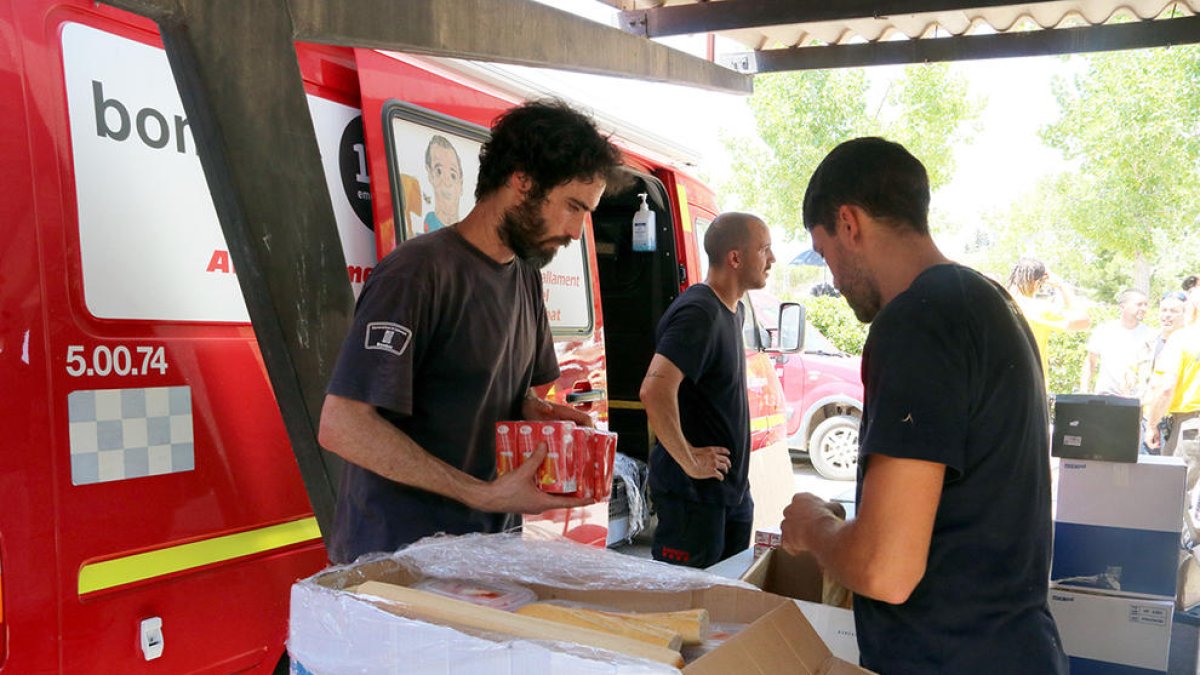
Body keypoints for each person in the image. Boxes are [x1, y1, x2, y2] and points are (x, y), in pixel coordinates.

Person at [780, 137, 1067, 673]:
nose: (835, 279)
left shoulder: (919, 319)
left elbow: (885, 569)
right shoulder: (988, 302)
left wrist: (813, 526)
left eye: (826, 255)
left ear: (849, 223)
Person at [318, 100, 624, 564]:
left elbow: (510, 394)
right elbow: (342, 426)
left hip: (484, 552)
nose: (577, 231)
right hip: (399, 561)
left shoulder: (525, 276)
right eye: (573, 207)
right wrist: (481, 494)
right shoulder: (417, 272)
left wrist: (540, 414)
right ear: (522, 180)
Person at [638, 212, 774, 568]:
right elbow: (654, 390)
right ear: (735, 257)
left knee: (723, 607)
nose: (771, 260)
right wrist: (689, 459)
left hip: (728, 494)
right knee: (682, 608)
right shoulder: (699, 311)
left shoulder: (733, 312)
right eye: (764, 250)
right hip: (693, 498)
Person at [1143, 321, 1200, 550]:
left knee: (1179, 494)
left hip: (1191, 425)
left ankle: (1181, 565)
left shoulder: (1184, 338)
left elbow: (1166, 387)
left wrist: (1152, 423)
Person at [1006, 257, 1090, 386]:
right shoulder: (1037, 309)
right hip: (1030, 387)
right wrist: (1062, 286)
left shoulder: (996, 303)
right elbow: (1084, 321)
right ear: (1036, 282)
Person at [1079, 289, 1153, 397]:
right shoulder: (1104, 330)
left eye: (1146, 305)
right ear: (1122, 306)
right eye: (1139, 304)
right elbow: (1090, 363)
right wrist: (1083, 391)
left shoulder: (1150, 334)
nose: (1143, 308)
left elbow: (1147, 369)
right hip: (1105, 396)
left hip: (1135, 399)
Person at [422, 135, 463, 233]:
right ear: (430, 176)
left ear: (461, 184)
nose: (446, 182)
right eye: (439, 171)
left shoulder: (473, 236)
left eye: (453, 175)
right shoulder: (419, 238)